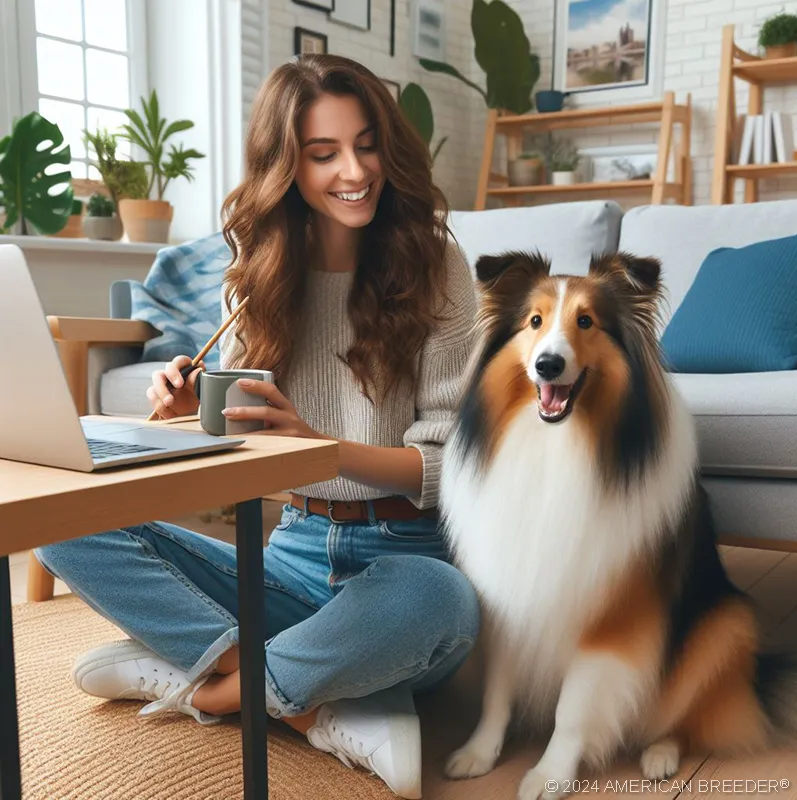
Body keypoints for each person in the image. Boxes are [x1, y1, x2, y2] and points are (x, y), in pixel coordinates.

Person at [35, 54, 480, 799]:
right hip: (289, 558)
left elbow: (452, 463)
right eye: (323, 153)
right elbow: (240, 437)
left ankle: (207, 681)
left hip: (405, 556)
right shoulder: (259, 269)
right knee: (61, 518)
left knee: (444, 602)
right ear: (287, 166)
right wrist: (186, 410)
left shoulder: (437, 264)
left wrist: (326, 449)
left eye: (367, 144)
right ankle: (304, 701)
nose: (355, 171)